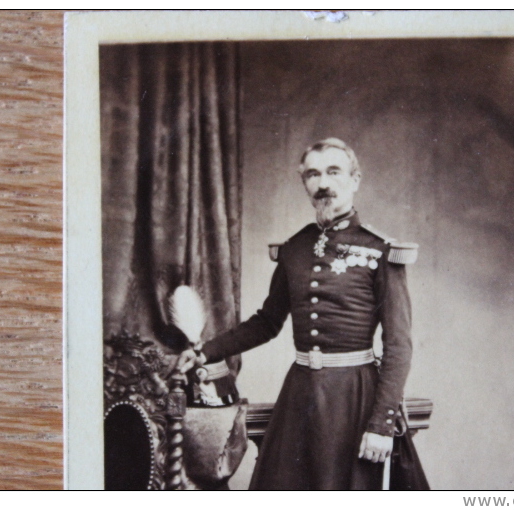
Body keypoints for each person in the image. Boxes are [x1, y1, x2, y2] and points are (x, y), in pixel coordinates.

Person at [177, 138, 416, 490]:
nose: (323, 183)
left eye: (334, 172)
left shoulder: (380, 251)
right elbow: (267, 323)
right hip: (300, 394)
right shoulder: (294, 248)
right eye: (313, 175)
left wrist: (380, 424)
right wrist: (205, 352)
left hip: (354, 398)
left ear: (355, 179)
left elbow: (399, 345)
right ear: (304, 182)